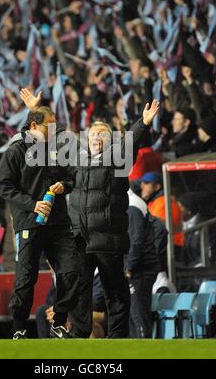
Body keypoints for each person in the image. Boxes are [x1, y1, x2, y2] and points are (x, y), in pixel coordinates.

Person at [68, 100, 160, 338]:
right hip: (80, 239)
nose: (96, 137)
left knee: (115, 293)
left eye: (102, 134)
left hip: (107, 239)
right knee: (80, 292)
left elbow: (131, 141)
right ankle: (78, 337)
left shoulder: (117, 159)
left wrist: (143, 123)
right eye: (92, 133)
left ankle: (117, 339)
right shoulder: (76, 161)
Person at [0, 104, 79, 339]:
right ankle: (19, 328)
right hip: (30, 223)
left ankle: (60, 322)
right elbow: (4, 185)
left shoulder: (55, 150)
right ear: (34, 126)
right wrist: (32, 204)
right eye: (49, 126)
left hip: (59, 223)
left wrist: (65, 185)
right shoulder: (16, 151)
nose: (54, 131)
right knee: (26, 277)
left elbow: (71, 175)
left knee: (71, 270)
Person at [125, 188, 159, 338]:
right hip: (139, 268)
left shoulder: (132, 206)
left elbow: (137, 240)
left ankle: (145, 352)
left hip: (140, 269)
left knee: (139, 316)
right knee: (133, 315)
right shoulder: (131, 204)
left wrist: (129, 266)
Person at [139, 171, 183, 257]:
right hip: (166, 247)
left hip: (169, 249)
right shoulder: (156, 202)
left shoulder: (162, 202)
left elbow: (157, 232)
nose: (142, 186)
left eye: (146, 183)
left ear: (157, 187)